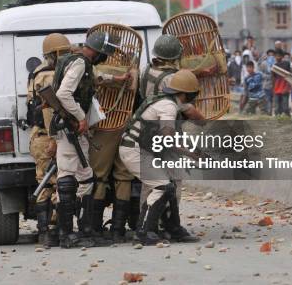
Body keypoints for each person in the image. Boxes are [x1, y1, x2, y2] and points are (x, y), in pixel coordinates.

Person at [119, 69, 201, 246]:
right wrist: (191, 154)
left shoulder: (166, 101)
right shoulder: (168, 107)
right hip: (134, 150)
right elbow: (167, 139)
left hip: (141, 149)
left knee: (169, 182)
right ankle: (143, 231)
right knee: (162, 186)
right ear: (186, 94)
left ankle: (173, 227)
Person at [52, 31, 116, 249]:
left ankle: (82, 230)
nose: (103, 57)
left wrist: (116, 79)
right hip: (70, 128)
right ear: (96, 51)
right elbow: (63, 94)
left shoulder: (78, 61)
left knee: (85, 177)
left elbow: (91, 80)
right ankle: (66, 233)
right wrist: (80, 117)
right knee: (69, 178)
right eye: (104, 53)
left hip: (73, 129)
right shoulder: (79, 62)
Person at [27, 33, 71, 248]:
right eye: (62, 53)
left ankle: (50, 230)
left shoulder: (39, 72)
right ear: (53, 54)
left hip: (44, 135)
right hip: (47, 136)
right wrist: (54, 138)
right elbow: (49, 111)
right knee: (51, 183)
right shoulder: (47, 76)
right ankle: (48, 231)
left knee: (51, 182)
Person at [272, 49, 290, 117]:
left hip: (285, 89)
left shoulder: (286, 64)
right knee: (277, 109)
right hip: (277, 89)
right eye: (276, 56)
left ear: (282, 56)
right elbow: (273, 78)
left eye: (279, 56)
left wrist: (287, 87)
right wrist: (273, 89)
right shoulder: (274, 66)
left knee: (285, 108)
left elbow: (289, 77)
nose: (277, 57)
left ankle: (288, 120)